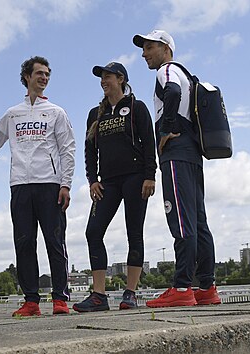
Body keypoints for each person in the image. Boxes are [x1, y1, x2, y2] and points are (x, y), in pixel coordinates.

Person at [0, 56, 76, 317]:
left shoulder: (57, 112)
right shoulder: (13, 114)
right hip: (20, 186)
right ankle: (31, 301)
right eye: (39, 73)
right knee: (24, 243)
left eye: (47, 74)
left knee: (55, 242)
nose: (44, 78)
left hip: (50, 184)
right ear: (26, 76)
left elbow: (68, 149)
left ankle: (60, 298)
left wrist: (65, 184)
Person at [132, 30, 221, 307]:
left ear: (166, 49)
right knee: (198, 221)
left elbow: (171, 92)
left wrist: (166, 128)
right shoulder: (187, 75)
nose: (144, 53)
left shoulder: (167, 71)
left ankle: (182, 287)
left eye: (149, 47)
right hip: (193, 152)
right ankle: (206, 286)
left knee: (180, 217)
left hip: (176, 151)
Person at [72, 62, 156, 312]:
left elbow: (149, 143)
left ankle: (130, 293)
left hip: (135, 178)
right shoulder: (95, 114)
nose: (103, 81)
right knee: (93, 231)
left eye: (108, 76)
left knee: (134, 233)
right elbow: (89, 150)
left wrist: (150, 175)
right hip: (106, 182)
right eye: (101, 78)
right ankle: (99, 296)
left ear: (121, 79)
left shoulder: (136, 108)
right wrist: (92, 180)